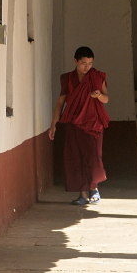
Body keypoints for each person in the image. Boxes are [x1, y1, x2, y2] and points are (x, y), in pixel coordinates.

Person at [48, 47, 109, 205]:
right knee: (75, 157)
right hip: (74, 122)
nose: (87, 67)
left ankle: (94, 189)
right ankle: (82, 194)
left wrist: (99, 95)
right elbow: (60, 102)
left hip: (93, 123)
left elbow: (106, 99)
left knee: (94, 156)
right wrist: (53, 124)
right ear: (75, 61)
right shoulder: (68, 79)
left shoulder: (97, 77)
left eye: (90, 63)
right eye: (83, 63)